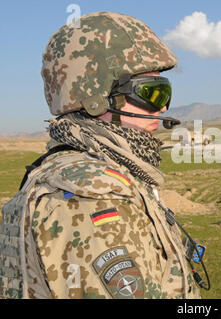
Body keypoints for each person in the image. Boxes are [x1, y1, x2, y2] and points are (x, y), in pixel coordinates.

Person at [0, 12, 203, 299]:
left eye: (165, 93)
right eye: (151, 93)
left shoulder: (91, 171)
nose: (163, 108)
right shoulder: (92, 198)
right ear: (97, 99)